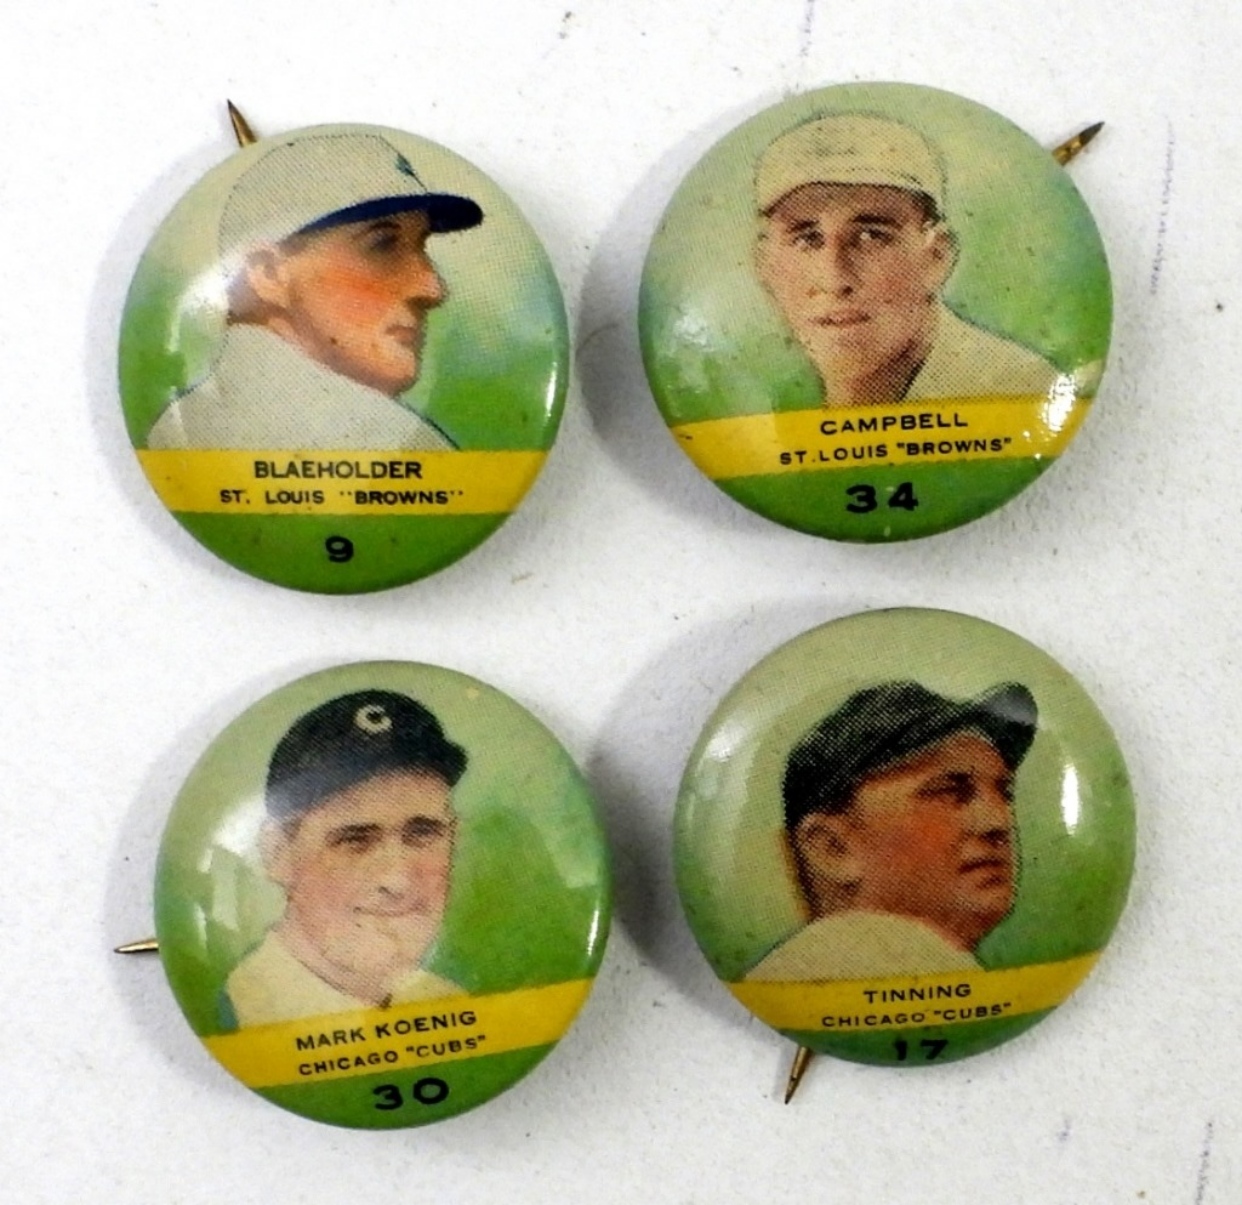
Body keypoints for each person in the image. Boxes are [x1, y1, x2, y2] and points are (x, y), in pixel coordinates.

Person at [147, 132, 483, 451]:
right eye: (382, 245)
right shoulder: (399, 444)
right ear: (268, 274)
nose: (432, 288)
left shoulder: (185, 427)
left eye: (420, 246)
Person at [753, 114, 1062, 407]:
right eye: (806, 239)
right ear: (765, 264)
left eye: (870, 236)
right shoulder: (762, 407)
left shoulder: (1021, 392)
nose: (834, 279)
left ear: (937, 256)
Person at [746, 680, 1038, 982]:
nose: (998, 822)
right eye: (948, 791)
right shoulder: (899, 961)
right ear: (832, 848)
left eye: (1005, 793)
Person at [224, 690, 468, 1027]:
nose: (397, 881)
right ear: (278, 852)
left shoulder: (451, 1004)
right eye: (355, 840)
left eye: (422, 833)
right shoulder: (233, 1015)